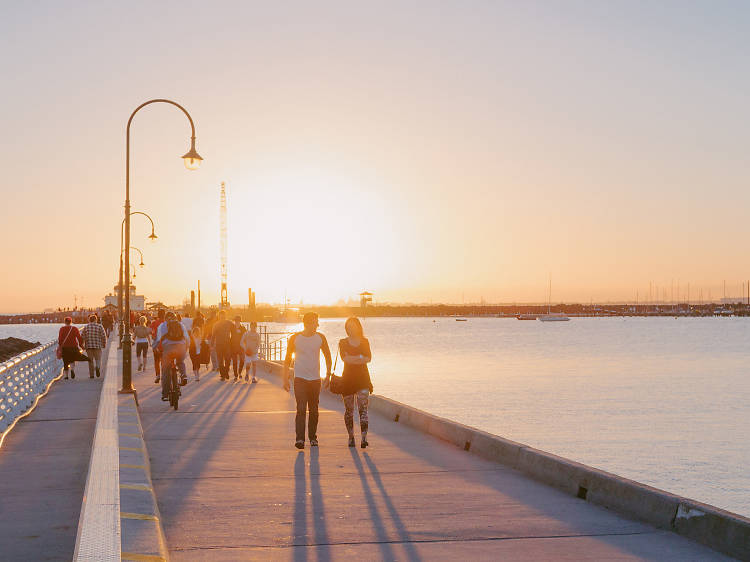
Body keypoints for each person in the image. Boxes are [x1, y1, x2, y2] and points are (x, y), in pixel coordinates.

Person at [283, 312, 332, 449]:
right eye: (316, 322)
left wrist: (328, 375)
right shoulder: (295, 338)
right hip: (300, 379)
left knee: (314, 410)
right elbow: (287, 359)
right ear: (309, 323)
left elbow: (328, 356)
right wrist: (285, 378)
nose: (318, 325)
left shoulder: (320, 338)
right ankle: (300, 439)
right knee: (301, 408)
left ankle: (312, 437)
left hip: (316, 379)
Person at [338, 317, 373, 448]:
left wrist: (353, 358)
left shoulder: (365, 341)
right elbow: (344, 359)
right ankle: (351, 437)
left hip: (363, 379)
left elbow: (368, 358)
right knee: (349, 411)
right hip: (347, 379)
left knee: (363, 410)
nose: (351, 329)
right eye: (349, 327)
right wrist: (360, 357)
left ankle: (364, 438)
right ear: (346, 329)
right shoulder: (342, 342)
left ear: (359, 327)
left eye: (354, 326)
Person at [156, 311, 190, 399]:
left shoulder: (162, 326)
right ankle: (183, 375)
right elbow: (187, 338)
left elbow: (157, 339)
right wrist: (185, 348)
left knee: (165, 369)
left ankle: (166, 394)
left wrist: (155, 348)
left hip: (168, 349)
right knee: (180, 361)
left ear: (165, 318)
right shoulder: (180, 325)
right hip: (180, 347)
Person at [211, 310, 235, 380]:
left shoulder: (229, 323)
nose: (222, 317)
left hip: (227, 344)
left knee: (228, 360)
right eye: (221, 315)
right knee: (220, 361)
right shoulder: (216, 324)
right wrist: (212, 345)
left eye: (223, 315)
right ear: (219, 316)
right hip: (219, 345)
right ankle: (222, 375)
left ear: (225, 316)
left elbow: (235, 330)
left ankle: (226, 371)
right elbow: (213, 336)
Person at [81, 313, 107, 379]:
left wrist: (82, 345)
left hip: (89, 346)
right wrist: (104, 344)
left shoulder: (86, 327)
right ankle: (97, 367)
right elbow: (104, 336)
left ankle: (91, 375)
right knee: (98, 359)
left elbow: (82, 337)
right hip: (98, 346)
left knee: (90, 361)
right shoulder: (100, 326)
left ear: (89, 320)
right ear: (96, 319)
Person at [151, 309, 166, 383]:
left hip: (157, 346)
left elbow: (153, 335)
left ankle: (157, 375)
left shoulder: (154, 323)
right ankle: (164, 375)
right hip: (166, 346)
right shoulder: (167, 323)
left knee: (156, 361)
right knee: (164, 361)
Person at [230, 315, 246, 381]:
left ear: (240, 321)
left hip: (241, 347)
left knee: (242, 360)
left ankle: (239, 372)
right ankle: (236, 375)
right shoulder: (232, 328)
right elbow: (228, 335)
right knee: (234, 362)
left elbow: (246, 337)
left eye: (238, 321)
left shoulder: (243, 328)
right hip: (233, 347)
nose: (237, 322)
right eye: (236, 321)